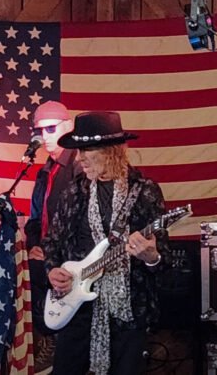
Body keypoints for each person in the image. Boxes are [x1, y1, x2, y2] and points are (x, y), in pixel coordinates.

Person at [43, 111, 169, 375]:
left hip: (126, 311)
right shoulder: (74, 192)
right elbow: (53, 243)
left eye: (87, 150)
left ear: (112, 151)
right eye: (79, 150)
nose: (80, 158)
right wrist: (52, 270)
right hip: (77, 306)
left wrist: (151, 257)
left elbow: (164, 260)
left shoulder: (144, 192)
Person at [24, 101, 81, 333]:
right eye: (40, 130)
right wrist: (35, 245)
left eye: (51, 128)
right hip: (46, 256)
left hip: (70, 258)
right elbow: (35, 218)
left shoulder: (79, 166)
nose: (45, 136)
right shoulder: (45, 171)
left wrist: (53, 252)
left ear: (68, 126)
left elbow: (81, 221)